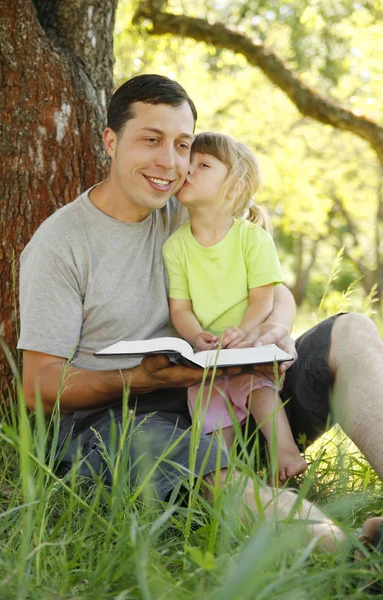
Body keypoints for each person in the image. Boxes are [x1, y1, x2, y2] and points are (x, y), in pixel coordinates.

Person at [18, 73, 383, 554]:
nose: (170, 162)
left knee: (352, 329)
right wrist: (140, 379)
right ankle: (348, 554)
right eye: (151, 140)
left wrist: (276, 326)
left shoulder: (193, 206)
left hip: (232, 398)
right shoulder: (61, 243)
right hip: (123, 421)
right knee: (209, 469)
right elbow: (37, 384)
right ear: (111, 140)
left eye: (183, 144)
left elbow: (267, 283)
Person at [162, 131, 307, 483]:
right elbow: (180, 308)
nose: (189, 170)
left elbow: (263, 298)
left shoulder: (251, 238)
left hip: (247, 344)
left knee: (258, 386)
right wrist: (197, 336)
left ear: (234, 187)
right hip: (209, 357)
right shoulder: (176, 246)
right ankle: (228, 479)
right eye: (189, 163)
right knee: (209, 412)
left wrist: (244, 332)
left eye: (204, 165)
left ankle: (286, 456)